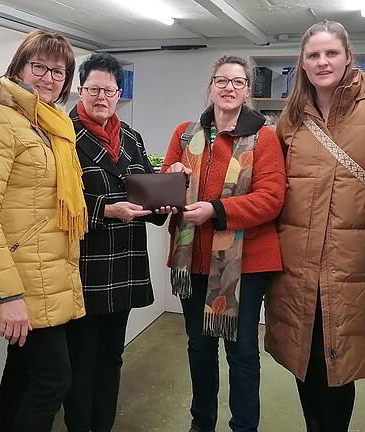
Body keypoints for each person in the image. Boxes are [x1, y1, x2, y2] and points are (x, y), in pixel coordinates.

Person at [265, 20, 365, 432]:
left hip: (353, 262)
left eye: (331, 53)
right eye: (313, 55)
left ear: (348, 57)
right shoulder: (291, 117)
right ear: (302, 63)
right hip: (296, 261)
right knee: (305, 358)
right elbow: (268, 173)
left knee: (339, 361)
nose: (322, 62)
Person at [0, 30, 88, 432]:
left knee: (23, 374)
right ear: (18, 67)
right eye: (39, 67)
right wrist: (10, 295)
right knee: (54, 380)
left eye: (59, 72)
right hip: (24, 278)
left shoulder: (49, 124)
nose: (49, 78)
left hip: (49, 270)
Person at [162, 55, 286, 432]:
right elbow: (165, 188)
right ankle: (202, 424)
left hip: (244, 266)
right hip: (193, 261)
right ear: (211, 86)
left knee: (242, 352)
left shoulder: (264, 137)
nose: (229, 88)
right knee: (199, 349)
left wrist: (215, 209)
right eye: (221, 81)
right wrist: (174, 177)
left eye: (237, 82)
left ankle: (244, 427)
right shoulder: (185, 134)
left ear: (247, 89)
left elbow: (271, 197)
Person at [64, 53, 169, 432]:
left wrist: (165, 199)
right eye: (93, 89)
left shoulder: (131, 137)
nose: (101, 97)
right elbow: (54, 199)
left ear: (119, 93)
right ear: (80, 89)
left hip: (124, 266)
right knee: (81, 359)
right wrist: (106, 210)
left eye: (109, 90)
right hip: (85, 267)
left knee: (112, 357)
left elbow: (148, 188)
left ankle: (102, 426)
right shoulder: (63, 134)